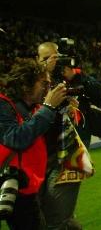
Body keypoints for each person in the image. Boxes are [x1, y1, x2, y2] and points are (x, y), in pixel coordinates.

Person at [37, 41, 101, 229]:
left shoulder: (71, 75)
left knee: (58, 216)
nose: (51, 62)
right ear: (38, 60)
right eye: (45, 59)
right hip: (43, 150)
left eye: (54, 57)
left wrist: (77, 75)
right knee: (50, 212)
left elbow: (98, 93)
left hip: (72, 146)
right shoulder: (35, 81)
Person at [0, 58, 67, 229]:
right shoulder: (3, 104)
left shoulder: (33, 107)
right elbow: (15, 138)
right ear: (25, 84)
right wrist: (48, 108)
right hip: (11, 185)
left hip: (25, 186)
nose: (48, 87)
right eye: (43, 83)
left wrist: (64, 110)